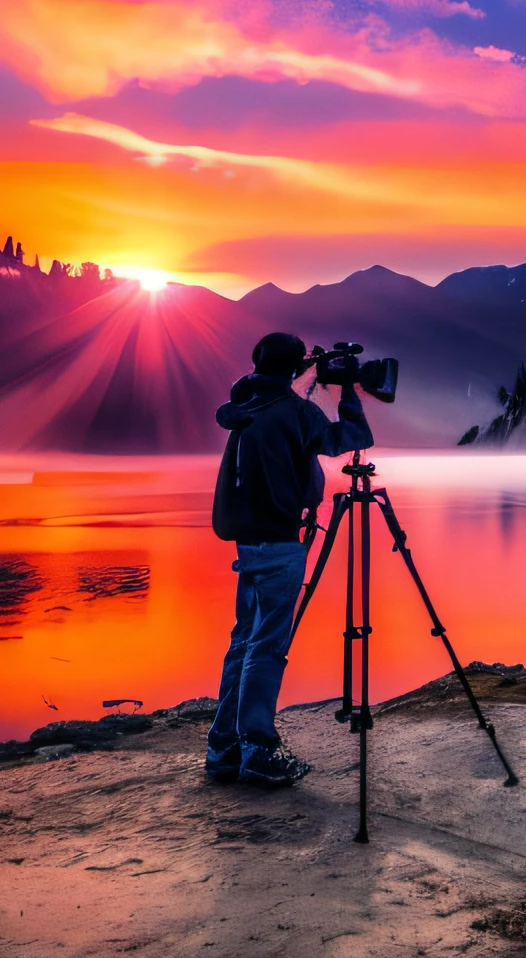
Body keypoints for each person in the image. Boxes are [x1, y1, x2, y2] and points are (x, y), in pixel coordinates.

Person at [206, 331, 374, 787]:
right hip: (281, 544)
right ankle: (258, 749)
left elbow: (264, 388)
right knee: (267, 647)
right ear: (296, 365)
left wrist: (303, 373)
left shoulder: (248, 408)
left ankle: (224, 747)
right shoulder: (297, 414)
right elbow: (354, 436)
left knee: (244, 642)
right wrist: (348, 390)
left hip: (249, 543)